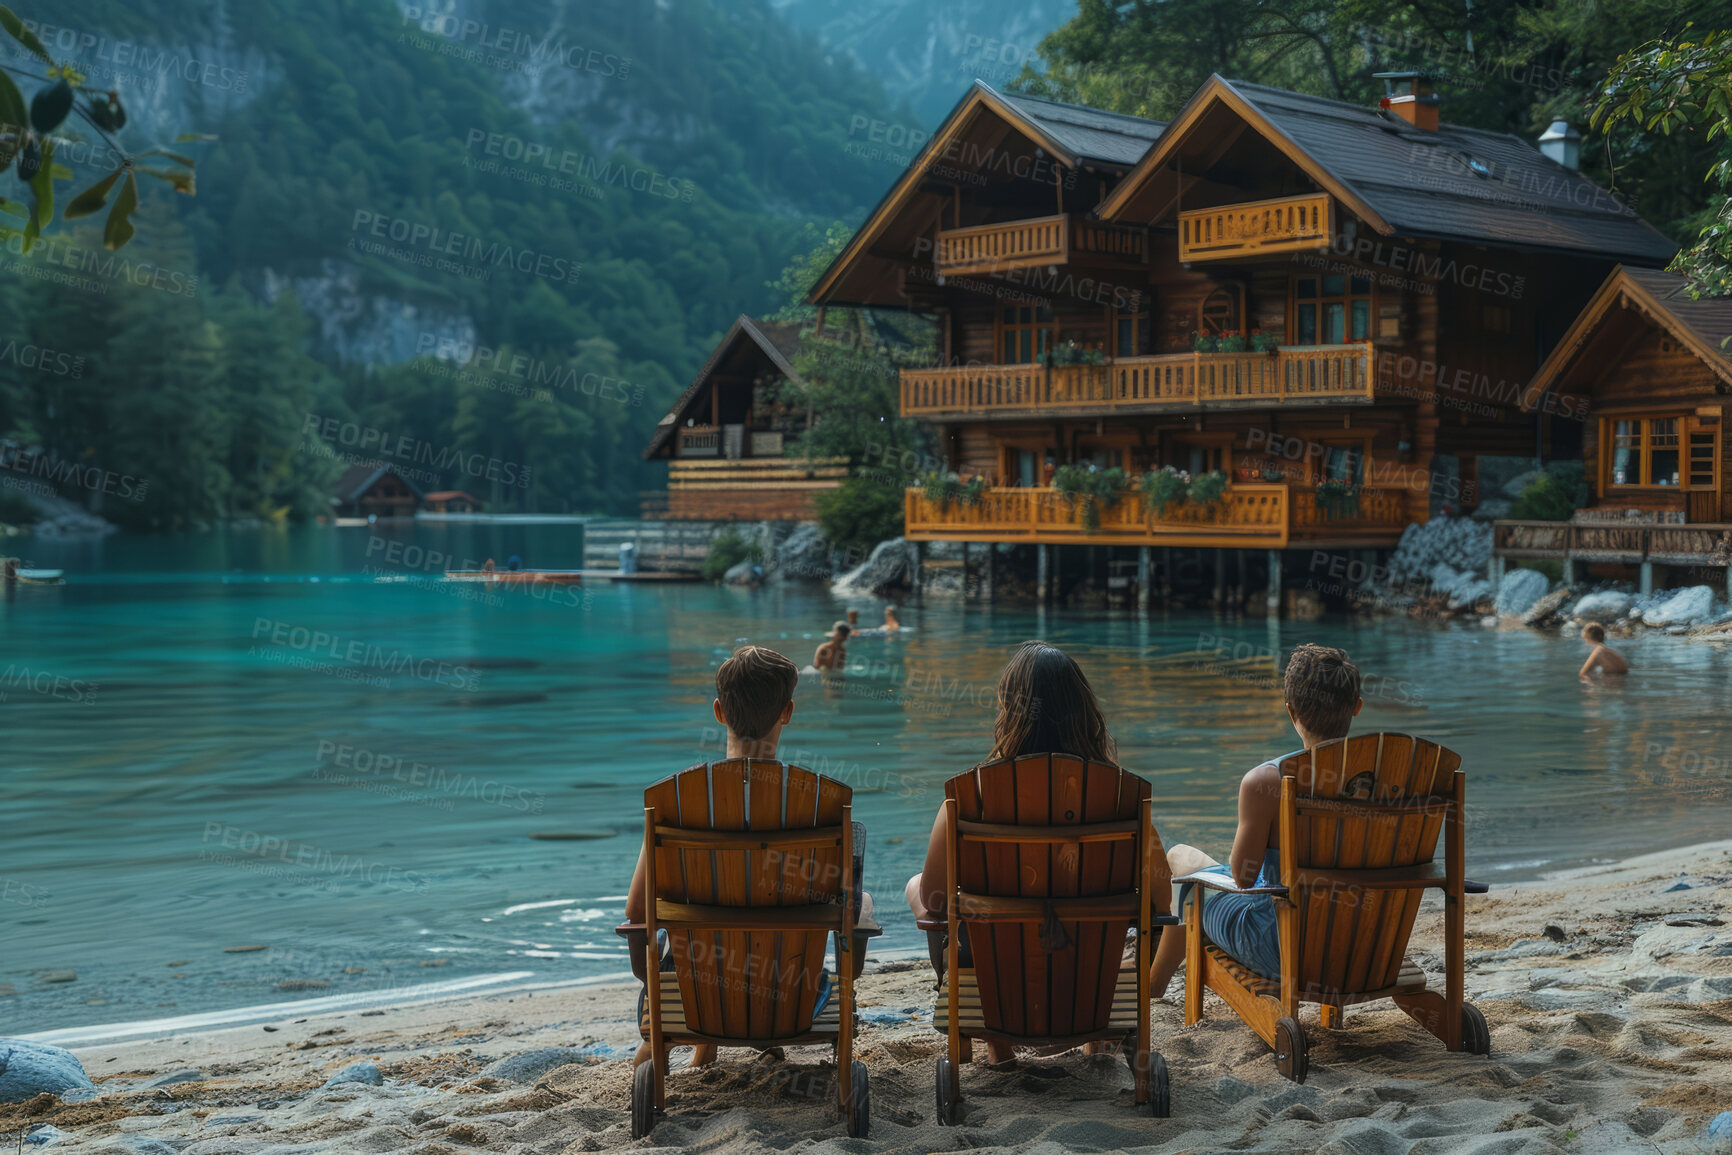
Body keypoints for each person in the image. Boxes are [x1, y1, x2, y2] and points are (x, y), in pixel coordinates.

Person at [623, 645, 872, 1068]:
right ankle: (712, 1048)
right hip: (790, 992)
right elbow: (842, 906)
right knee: (858, 905)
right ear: (788, 711)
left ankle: (686, 1047)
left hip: (697, 989)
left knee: (685, 932)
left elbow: (635, 911)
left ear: (718, 711)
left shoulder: (674, 804)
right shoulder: (819, 804)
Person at [904, 640, 1114, 1065]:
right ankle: (1097, 1041)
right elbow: (1159, 899)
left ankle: (997, 1047)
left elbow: (933, 902)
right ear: (1086, 711)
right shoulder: (1118, 793)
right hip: (1086, 976)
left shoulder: (969, 794)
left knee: (920, 891)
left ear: (1009, 710)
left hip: (1001, 973)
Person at [1148, 643, 1363, 998]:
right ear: (1356, 706)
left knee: (1183, 866)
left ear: (1291, 711)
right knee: (1190, 868)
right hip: (1364, 947)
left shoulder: (1266, 781)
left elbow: (1243, 877)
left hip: (1281, 948)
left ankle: (1155, 982)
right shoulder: (1393, 779)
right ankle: (1156, 978)